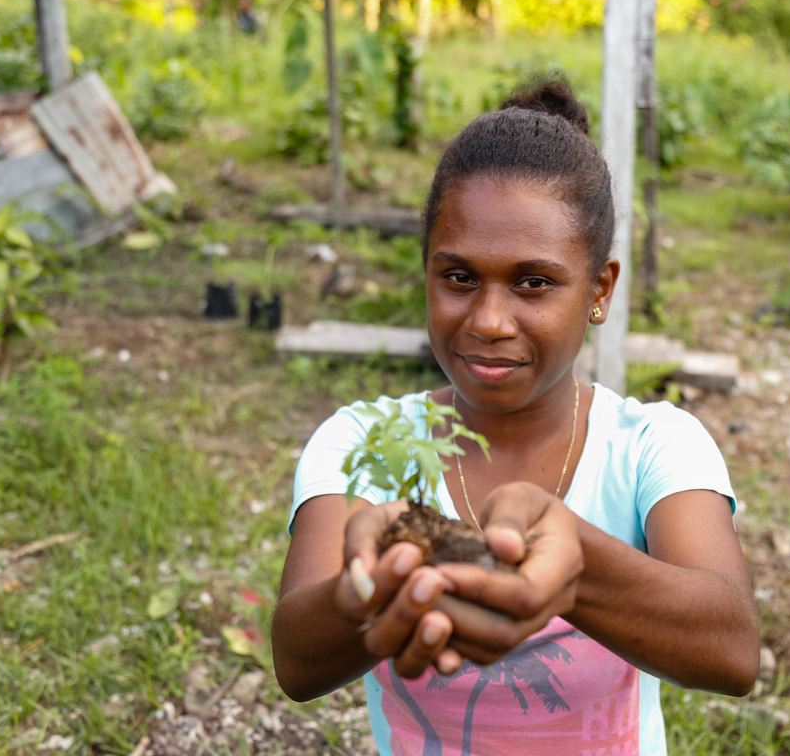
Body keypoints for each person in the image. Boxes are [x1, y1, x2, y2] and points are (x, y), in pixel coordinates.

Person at [272, 78, 759, 756]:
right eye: (459, 278)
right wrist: (368, 591)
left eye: (534, 283)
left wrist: (577, 565)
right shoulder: (364, 442)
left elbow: (733, 648)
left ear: (599, 290)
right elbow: (296, 660)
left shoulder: (653, 447)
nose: (490, 320)